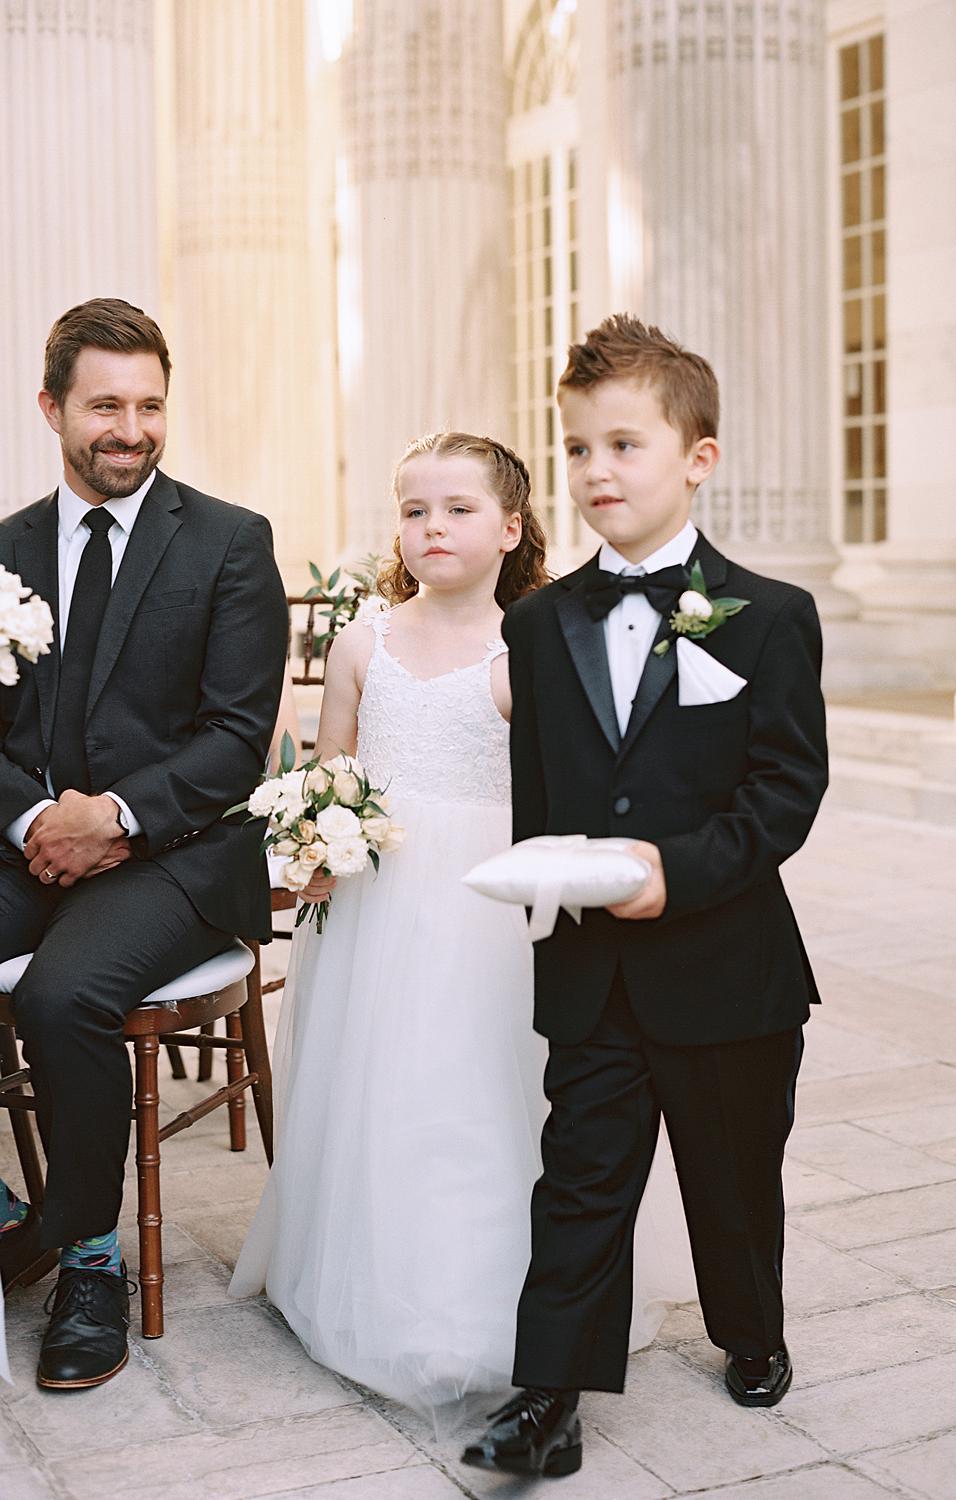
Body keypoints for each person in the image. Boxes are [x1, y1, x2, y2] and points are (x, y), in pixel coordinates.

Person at [230, 431, 694, 1418]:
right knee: (387, 1088)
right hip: (382, 906)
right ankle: (389, 1292)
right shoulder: (363, 642)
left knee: (489, 1091)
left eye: (459, 509)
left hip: (496, 912)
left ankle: (511, 1304)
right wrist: (314, 837)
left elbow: (575, 788)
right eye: (413, 510)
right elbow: (332, 774)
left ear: (512, 527)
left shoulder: (533, 645)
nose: (432, 528)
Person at [463, 314, 829, 1478]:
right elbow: (538, 801)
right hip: (592, 972)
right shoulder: (536, 623)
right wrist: (546, 898)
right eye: (576, 449)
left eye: (624, 445)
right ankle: (549, 1397)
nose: (596, 472)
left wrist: (681, 871)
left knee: (733, 1177)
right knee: (579, 1181)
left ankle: (751, 1332)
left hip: (730, 967)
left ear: (698, 458)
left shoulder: (770, 616)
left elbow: (786, 793)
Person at [0, 298, 288, 1389]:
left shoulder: (229, 540)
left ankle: (88, 1257)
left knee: (62, 996)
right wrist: (35, 821)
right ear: (52, 408)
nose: (131, 428)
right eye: (105, 405)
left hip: (178, 854)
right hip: (27, 843)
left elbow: (233, 740)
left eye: (150, 404)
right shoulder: (4, 550)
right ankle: (10, 1211)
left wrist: (111, 819)